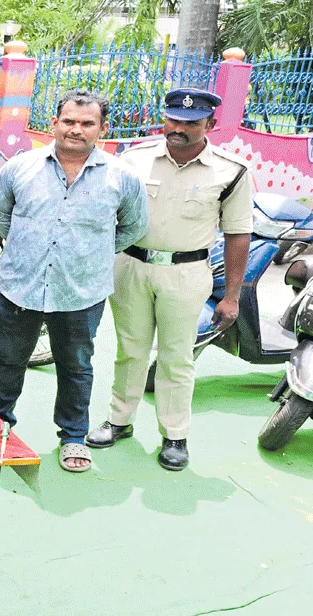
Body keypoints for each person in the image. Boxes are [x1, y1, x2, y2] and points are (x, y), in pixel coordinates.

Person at [86, 88, 253, 471]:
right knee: (130, 350)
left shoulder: (231, 171)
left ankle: (175, 435)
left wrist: (231, 296)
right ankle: (119, 420)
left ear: (211, 124)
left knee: (177, 357)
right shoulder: (134, 160)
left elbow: (238, 233)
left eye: (191, 123)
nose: (179, 128)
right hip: (131, 266)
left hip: (186, 272)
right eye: (174, 119)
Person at [0, 90, 149, 474]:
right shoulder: (20, 168)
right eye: (69, 121)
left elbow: (133, 228)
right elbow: (1, 215)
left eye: (87, 123)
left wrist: (88, 254)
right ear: (54, 124)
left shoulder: (122, 177)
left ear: (102, 129)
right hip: (22, 285)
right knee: (8, 360)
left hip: (82, 290)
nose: (76, 130)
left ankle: (73, 436)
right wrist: (31, 249)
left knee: (76, 366)